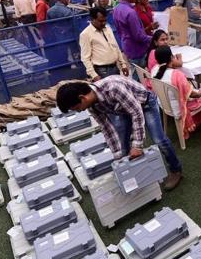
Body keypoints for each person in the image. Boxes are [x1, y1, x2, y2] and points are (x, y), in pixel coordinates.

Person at [56, 77, 184, 190]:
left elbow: (136, 112)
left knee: (158, 139)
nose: (79, 111)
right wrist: (118, 157)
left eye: (77, 108)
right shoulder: (91, 105)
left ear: (82, 98)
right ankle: (135, 174)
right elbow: (106, 128)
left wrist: (137, 145)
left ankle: (176, 170)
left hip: (144, 104)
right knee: (122, 148)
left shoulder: (113, 88)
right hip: (122, 110)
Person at [151, 46, 201, 139]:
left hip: (163, 104)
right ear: (171, 58)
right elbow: (192, 94)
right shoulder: (177, 75)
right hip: (178, 108)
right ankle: (197, 123)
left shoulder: (154, 70)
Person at [80, 6, 129, 80]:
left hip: (115, 67)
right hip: (101, 71)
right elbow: (85, 58)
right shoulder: (85, 34)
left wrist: (123, 65)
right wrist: (94, 75)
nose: (103, 23)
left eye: (105, 20)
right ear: (92, 19)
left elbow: (116, 47)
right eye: (100, 21)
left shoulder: (108, 29)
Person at [114, 0, 153, 73]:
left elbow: (119, 31)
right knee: (139, 75)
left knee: (136, 72)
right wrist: (153, 39)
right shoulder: (131, 12)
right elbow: (138, 36)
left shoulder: (116, 9)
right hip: (137, 49)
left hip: (127, 46)